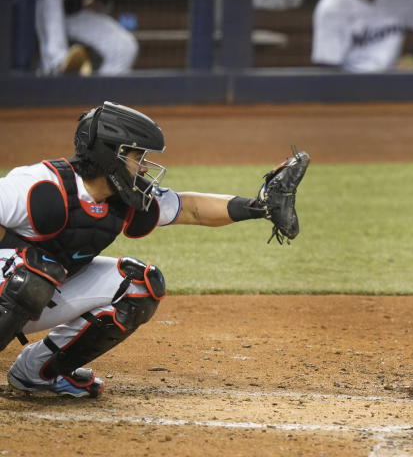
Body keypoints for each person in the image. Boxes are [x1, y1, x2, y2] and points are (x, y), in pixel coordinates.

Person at [0, 102, 308, 397]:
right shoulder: (39, 186)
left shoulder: (125, 198)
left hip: (39, 291)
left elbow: (190, 209)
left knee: (139, 287)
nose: (146, 165)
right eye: (138, 156)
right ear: (112, 155)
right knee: (30, 278)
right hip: (15, 287)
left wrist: (258, 207)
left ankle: (38, 372)